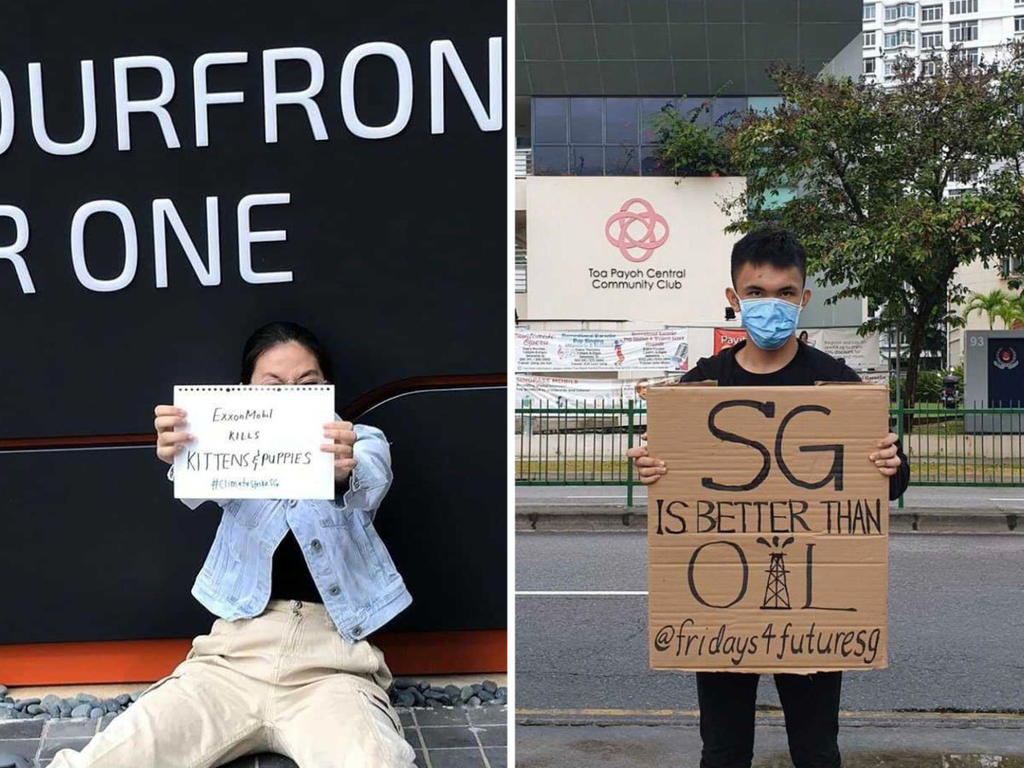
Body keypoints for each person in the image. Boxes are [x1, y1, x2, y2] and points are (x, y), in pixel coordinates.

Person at [51, 321, 416, 768]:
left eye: (307, 385)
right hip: (231, 658)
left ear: (326, 389)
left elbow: (371, 477)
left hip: (333, 668)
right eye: (273, 385)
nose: (290, 396)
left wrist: (346, 465)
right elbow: (197, 480)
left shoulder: (357, 440)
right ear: (246, 392)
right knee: (117, 753)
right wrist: (179, 446)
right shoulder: (231, 439)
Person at [627, 228, 909, 768]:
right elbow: (670, 474)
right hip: (720, 610)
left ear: (803, 299)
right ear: (733, 301)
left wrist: (891, 466)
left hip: (815, 610)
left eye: (785, 293)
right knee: (725, 751)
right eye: (756, 293)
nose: (771, 306)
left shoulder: (837, 385)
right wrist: (653, 467)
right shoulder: (701, 386)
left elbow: (886, 484)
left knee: (816, 751)